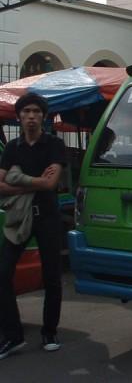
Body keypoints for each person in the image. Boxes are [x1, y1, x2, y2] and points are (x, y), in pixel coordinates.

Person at [0, 93, 67, 360]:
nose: (31, 116)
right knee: (2, 273)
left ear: (43, 116)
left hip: (47, 217)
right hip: (20, 219)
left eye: (36, 111)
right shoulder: (13, 148)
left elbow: (51, 184)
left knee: (52, 277)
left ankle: (49, 332)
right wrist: (34, 181)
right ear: (18, 116)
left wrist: (17, 181)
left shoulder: (54, 144)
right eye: (26, 111)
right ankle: (13, 336)